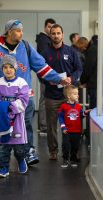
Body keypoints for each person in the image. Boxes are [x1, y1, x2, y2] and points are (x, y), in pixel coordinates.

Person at [0, 19, 71, 166]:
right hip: (3, 97)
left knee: (25, 125)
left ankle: (28, 153)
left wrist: (59, 79)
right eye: (18, 30)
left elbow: (41, 67)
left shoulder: (26, 46)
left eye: (22, 30)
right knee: (3, 125)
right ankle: (2, 155)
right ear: (9, 32)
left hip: (24, 97)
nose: (21, 33)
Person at [42, 24, 83, 160]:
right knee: (52, 125)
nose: (56, 36)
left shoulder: (71, 51)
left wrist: (72, 78)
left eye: (58, 33)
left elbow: (79, 69)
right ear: (50, 35)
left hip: (69, 96)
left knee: (73, 123)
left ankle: (72, 150)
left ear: (62, 34)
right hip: (51, 95)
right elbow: (40, 73)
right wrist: (49, 81)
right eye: (53, 33)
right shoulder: (45, 53)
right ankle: (53, 150)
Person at [0, 55, 29, 178]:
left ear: (15, 68)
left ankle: (21, 160)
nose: (8, 70)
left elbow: (23, 101)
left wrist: (10, 108)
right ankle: (4, 167)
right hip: (2, 118)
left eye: (11, 67)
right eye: (5, 67)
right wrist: (6, 109)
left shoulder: (21, 83)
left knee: (18, 145)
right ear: (2, 69)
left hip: (17, 119)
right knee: (3, 145)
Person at [58, 85, 90, 168]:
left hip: (77, 131)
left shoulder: (78, 106)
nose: (78, 95)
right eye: (75, 94)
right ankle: (65, 159)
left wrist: (85, 112)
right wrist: (63, 127)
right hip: (67, 131)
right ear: (69, 96)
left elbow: (81, 115)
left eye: (77, 93)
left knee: (75, 146)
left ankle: (73, 159)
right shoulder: (63, 106)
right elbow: (60, 117)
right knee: (66, 146)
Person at [35, 18, 56, 135]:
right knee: (44, 99)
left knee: (45, 99)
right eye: (49, 27)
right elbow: (46, 58)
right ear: (44, 27)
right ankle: (43, 126)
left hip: (48, 74)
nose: (51, 29)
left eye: (52, 27)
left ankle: (44, 125)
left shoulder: (47, 39)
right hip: (46, 75)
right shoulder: (43, 40)